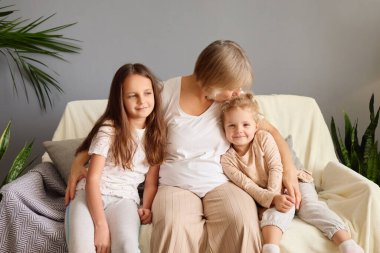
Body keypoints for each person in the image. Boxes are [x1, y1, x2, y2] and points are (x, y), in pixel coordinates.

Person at [65, 40, 301, 253]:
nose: (238, 92)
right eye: (232, 87)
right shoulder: (163, 93)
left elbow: (271, 131)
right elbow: (119, 124)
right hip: (174, 184)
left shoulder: (231, 101)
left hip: (221, 182)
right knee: (173, 225)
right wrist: (78, 162)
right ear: (212, 81)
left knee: (241, 219)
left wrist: (289, 171)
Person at [220, 93, 364, 253]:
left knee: (309, 207)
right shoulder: (227, 160)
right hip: (270, 195)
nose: (239, 130)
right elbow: (247, 186)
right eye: (231, 125)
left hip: (295, 181)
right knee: (277, 212)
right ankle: (270, 248)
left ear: (256, 125)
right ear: (223, 128)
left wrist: (276, 194)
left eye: (246, 124)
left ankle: (347, 244)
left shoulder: (263, 138)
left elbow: (276, 167)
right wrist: (274, 199)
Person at [64, 63, 167, 253]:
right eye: (132, 95)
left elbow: (151, 182)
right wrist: (101, 226)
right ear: (120, 99)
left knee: (128, 246)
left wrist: (147, 206)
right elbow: (93, 180)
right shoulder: (109, 129)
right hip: (90, 195)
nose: (142, 101)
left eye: (147, 93)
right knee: (81, 248)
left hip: (125, 199)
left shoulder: (157, 135)